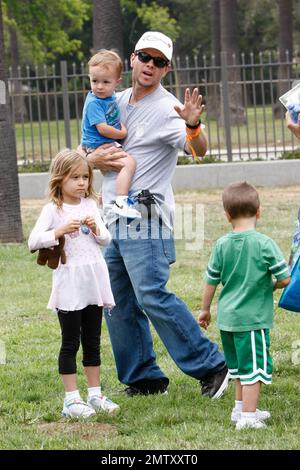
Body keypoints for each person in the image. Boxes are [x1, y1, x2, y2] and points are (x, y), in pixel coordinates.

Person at [85, 31, 229, 398]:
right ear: (131, 59)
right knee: (115, 301)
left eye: (159, 61)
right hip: (110, 217)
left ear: (167, 68)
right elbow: (88, 149)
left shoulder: (168, 109)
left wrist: (194, 124)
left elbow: (198, 149)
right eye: (145, 58)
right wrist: (89, 158)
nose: (150, 65)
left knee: (150, 293)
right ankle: (143, 378)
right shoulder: (111, 100)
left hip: (145, 217)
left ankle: (213, 365)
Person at [28, 149, 119, 418]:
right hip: (70, 283)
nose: (82, 183)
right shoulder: (53, 210)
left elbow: (106, 239)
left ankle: (94, 395)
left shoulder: (91, 206)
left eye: (85, 177)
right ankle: (71, 400)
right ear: (59, 179)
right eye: (75, 178)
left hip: (93, 282)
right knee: (70, 341)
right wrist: (58, 231)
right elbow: (33, 241)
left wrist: (96, 229)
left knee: (93, 340)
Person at [198, 181, 290, 429]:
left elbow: (211, 280)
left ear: (227, 216)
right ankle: (249, 418)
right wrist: (273, 285)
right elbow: (285, 278)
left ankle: (240, 411)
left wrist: (205, 309)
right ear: (259, 212)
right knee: (254, 370)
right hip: (251, 320)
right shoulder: (264, 243)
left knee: (238, 369)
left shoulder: (221, 245)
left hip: (227, 320)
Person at [81, 49, 140, 219]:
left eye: (105, 82)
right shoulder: (94, 102)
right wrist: (122, 132)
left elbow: (112, 119)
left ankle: (100, 204)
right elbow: (103, 128)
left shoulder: (110, 97)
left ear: (116, 82)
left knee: (113, 174)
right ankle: (121, 202)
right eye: (95, 81)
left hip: (104, 142)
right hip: (100, 144)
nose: (99, 86)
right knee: (129, 164)